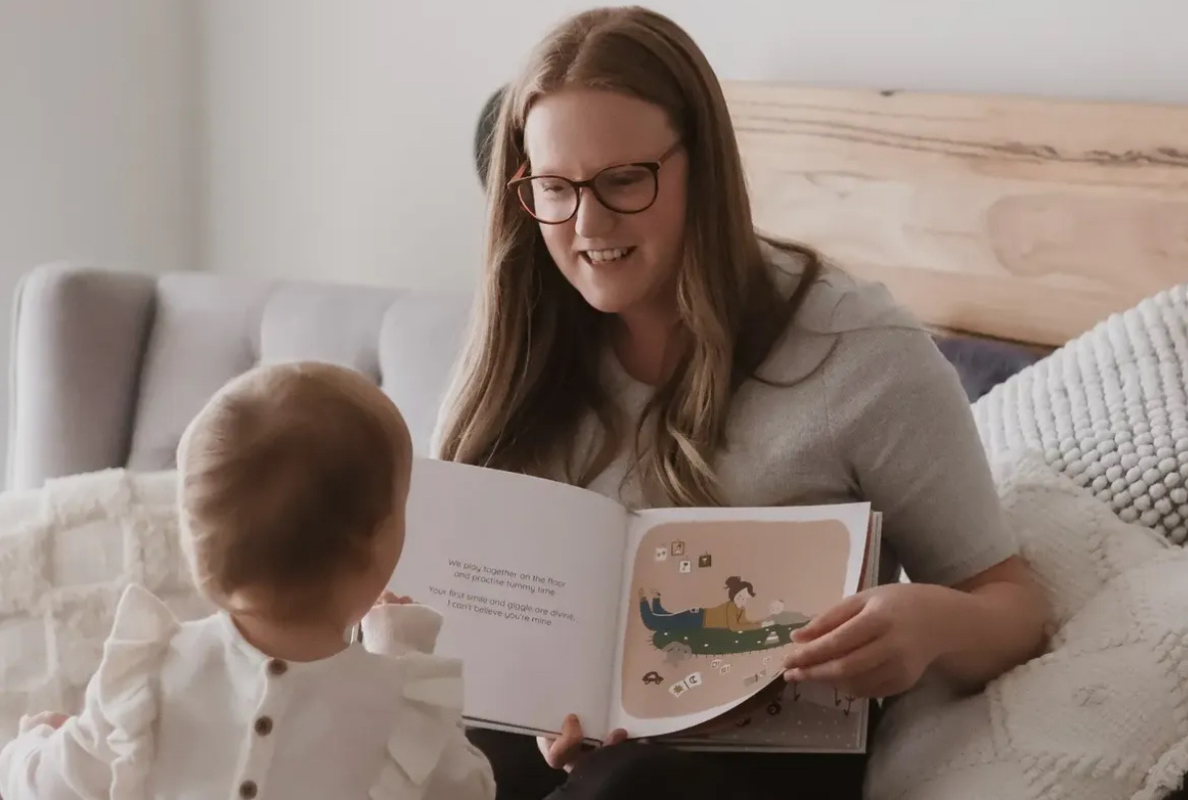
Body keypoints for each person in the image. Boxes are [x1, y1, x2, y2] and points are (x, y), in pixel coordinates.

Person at [436, 6, 1050, 799]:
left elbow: (1011, 604)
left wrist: (927, 624)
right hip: (556, 748)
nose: (587, 224)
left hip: (758, 766)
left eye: (625, 180)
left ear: (705, 166)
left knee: (628, 787)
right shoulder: (514, 343)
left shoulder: (859, 349)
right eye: (554, 187)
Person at [0, 362, 495, 800]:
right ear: (377, 547)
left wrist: (31, 743)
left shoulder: (143, 678)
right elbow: (473, 789)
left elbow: (38, 786)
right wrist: (400, 652)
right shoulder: (400, 711)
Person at [638, 576, 766, 632]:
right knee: (655, 623)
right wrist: (757, 626)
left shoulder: (740, 609)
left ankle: (656, 599)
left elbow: (743, 623)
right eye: (740, 597)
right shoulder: (731, 607)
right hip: (698, 618)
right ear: (734, 594)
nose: (742, 600)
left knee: (667, 617)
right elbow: (734, 627)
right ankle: (643, 601)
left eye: (745, 598)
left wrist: (759, 624)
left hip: (698, 618)